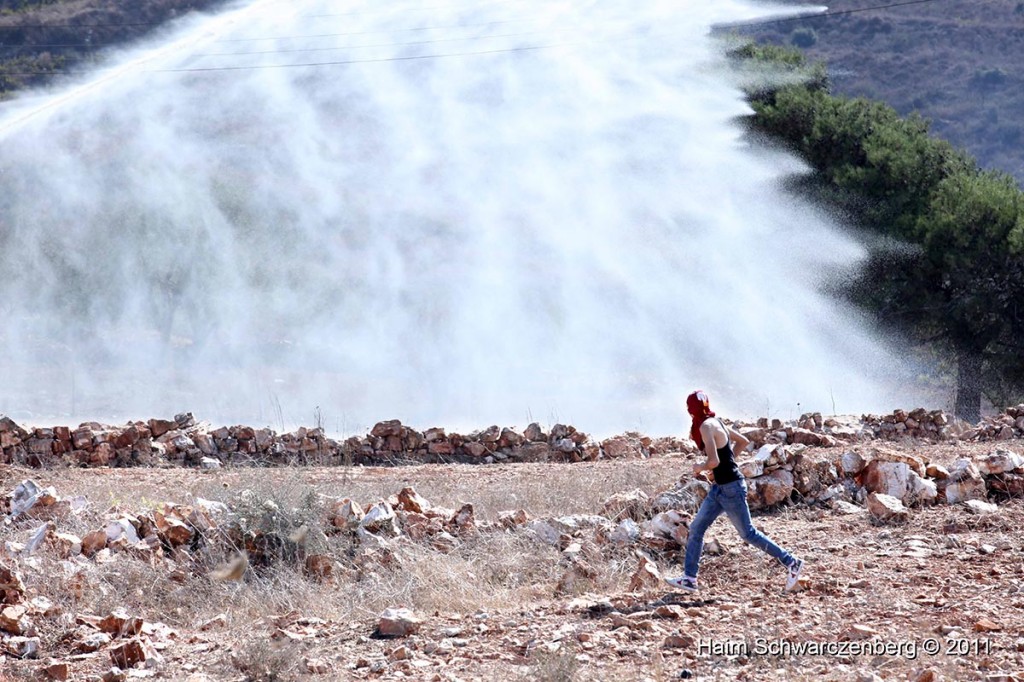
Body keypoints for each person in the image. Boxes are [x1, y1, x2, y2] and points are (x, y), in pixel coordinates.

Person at [665, 390, 803, 593]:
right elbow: (743, 442)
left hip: (731, 489)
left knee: (748, 534)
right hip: (720, 488)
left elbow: (713, 461)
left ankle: (791, 562)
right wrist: (727, 464)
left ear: (691, 409)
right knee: (696, 529)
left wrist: (700, 467)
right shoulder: (716, 421)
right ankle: (689, 579)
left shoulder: (705, 426)